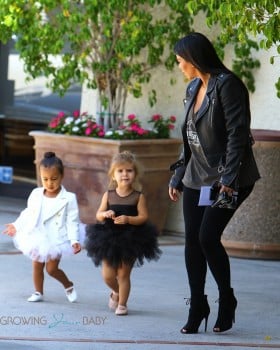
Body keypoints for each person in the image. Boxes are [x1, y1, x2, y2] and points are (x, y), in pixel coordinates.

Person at [169, 32, 260, 334]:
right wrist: (179, 172)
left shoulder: (228, 86)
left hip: (227, 178)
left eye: (181, 61)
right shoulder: (193, 86)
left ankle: (227, 300)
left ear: (194, 60)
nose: (179, 66)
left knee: (208, 237)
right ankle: (198, 305)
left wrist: (229, 180)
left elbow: (237, 135)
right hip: (197, 175)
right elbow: (189, 135)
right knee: (192, 242)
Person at [85, 151, 161, 316]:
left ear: (135, 174)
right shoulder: (109, 195)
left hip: (131, 237)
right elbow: (98, 214)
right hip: (108, 237)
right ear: (113, 175)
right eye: (120, 171)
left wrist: (128, 219)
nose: (124, 174)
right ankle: (116, 292)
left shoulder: (138, 197)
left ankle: (122, 304)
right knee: (108, 275)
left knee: (123, 273)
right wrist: (105, 214)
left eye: (129, 170)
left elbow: (143, 217)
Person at [3, 151, 81, 302]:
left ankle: (68, 284)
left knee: (51, 269)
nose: (49, 183)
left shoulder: (69, 198)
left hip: (57, 237)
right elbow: (28, 213)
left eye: (54, 179)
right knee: (37, 266)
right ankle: (38, 292)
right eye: (45, 179)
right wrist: (16, 225)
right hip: (38, 235)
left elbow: (72, 221)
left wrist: (74, 240)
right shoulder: (36, 194)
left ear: (62, 176)